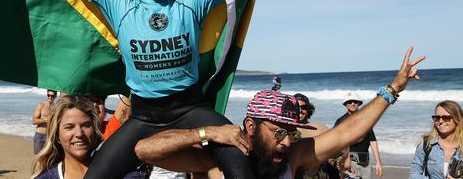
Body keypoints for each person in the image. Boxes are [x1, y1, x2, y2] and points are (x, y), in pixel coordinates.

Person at [24, 0, 297, 179]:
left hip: (191, 107)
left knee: (240, 156)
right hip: (144, 116)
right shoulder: (119, 4)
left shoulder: (191, 0)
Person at [134, 47, 425, 179]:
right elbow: (145, 150)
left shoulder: (293, 157)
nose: (286, 142)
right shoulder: (218, 159)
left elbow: (350, 131)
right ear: (251, 126)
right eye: (276, 133)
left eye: (290, 132)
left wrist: (393, 88)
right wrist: (206, 132)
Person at [31, 95, 103, 178]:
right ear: (57, 135)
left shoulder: (113, 172)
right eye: (69, 127)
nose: (79, 133)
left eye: (86, 125)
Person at [410, 100, 463, 179]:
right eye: (437, 118)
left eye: (446, 118)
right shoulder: (426, 145)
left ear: (457, 119)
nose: (440, 121)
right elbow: (414, 174)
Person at [334, 92, 383, 178]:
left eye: (355, 102)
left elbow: (373, 141)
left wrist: (378, 162)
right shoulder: (341, 121)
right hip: (350, 163)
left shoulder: (366, 120)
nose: (353, 104)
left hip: (366, 164)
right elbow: (335, 143)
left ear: (359, 104)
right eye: (350, 102)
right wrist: (345, 163)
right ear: (345, 104)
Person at [294, 93, 340, 179]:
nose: (300, 110)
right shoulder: (283, 130)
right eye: (296, 107)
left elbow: (340, 147)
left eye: (304, 107)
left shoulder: (319, 128)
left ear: (308, 110)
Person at [32, 89, 57, 154]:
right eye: (48, 95)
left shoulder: (56, 107)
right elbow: (34, 121)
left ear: (55, 96)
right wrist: (45, 120)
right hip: (39, 135)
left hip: (50, 135)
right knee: (38, 157)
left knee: (48, 158)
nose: (50, 97)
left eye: (52, 96)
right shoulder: (41, 105)